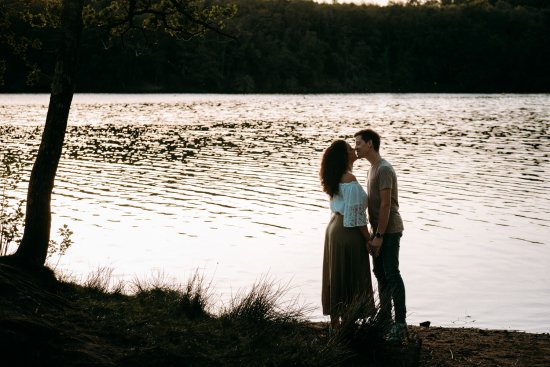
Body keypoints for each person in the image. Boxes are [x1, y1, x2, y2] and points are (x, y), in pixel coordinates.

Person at [354, 129, 408, 344]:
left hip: (389, 230)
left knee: (392, 273)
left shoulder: (384, 169)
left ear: (369, 143)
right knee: (380, 273)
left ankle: (400, 323)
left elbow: (386, 205)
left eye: (358, 143)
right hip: (378, 232)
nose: (355, 147)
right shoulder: (371, 170)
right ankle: (385, 318)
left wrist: (379, 235)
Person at [320, 139, 375, 332]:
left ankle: (335, 325)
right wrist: (369, 240)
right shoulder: (349, 180)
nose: (354, 150)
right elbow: (356, 217)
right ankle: (346, 324)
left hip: (333, 227)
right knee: (348, 273)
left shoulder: (334, 177)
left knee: (336, 274)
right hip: (346, 231)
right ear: (345, 156)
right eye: (350, 149)